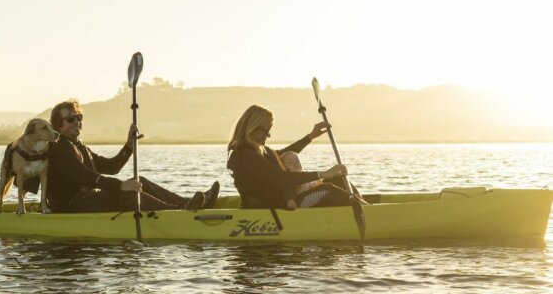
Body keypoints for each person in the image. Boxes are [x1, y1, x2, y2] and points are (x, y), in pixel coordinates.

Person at [47, 99, 219, 213]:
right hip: (71, 205)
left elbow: (111, 167)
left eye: (79, 117)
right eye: (70, 119)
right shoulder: (59, 148)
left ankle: (189, 203)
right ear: (58, 126)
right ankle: (176, 210)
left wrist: (128, 146)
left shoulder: (79, 146)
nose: (77, 121)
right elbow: (86, 177)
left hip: (87, 199)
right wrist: (122, 186)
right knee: (129, 193)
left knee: (140, 181)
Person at [226, 104, 365, 209]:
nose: (268, 136)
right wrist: (322, 174)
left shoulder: (258, 151)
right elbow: (282, 178)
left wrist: (311, 136)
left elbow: (281, 154)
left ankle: (364, 207)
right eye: (266, 131)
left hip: (287, 200)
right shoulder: (244, 156)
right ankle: (365, 213)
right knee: (330, 191)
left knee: (338, 179)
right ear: (253, 128)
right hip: (278, 207)